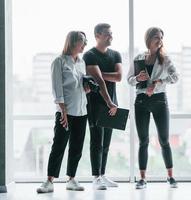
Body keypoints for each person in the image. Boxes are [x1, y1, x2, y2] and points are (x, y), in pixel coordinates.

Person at [37, 31, 89, 193]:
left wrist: (87, 88)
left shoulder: (81, 62)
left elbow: (80, 87)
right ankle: (49, 181)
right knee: (59, 145)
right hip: (65, 112)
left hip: (82, 111)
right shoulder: (58, 62)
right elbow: (57, 90)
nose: (85, 44)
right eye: (82, 41)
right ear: (73, 42)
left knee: (77, 147)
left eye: (85, 41)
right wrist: (63, 112)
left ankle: (71, 179)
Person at [127, 27, 179, 189]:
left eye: (161, 37)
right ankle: (142, 179)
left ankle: (170, 177)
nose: (160, 40)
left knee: (164, 140)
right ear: (148, 39)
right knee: (143, 141)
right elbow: (129, 80)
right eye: (156, 37)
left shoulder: (166, 59)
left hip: (159, 101)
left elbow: (175, 77)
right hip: (141, 101)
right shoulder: (138, 58)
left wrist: (158, 82)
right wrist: (137, 78)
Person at [83, 23, 122, 190]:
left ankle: (103, 175)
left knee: (106, 143)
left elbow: (119, 77)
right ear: (97, 35)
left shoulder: (116, 54)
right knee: (96, 141)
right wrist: (99, 76)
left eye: (111, 33)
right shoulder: (89, 55)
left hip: (112, 104)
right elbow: (97, 81)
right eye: (107, 34)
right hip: (95, 104)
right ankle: (95, 177)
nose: (111, 36)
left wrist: (98, 74)